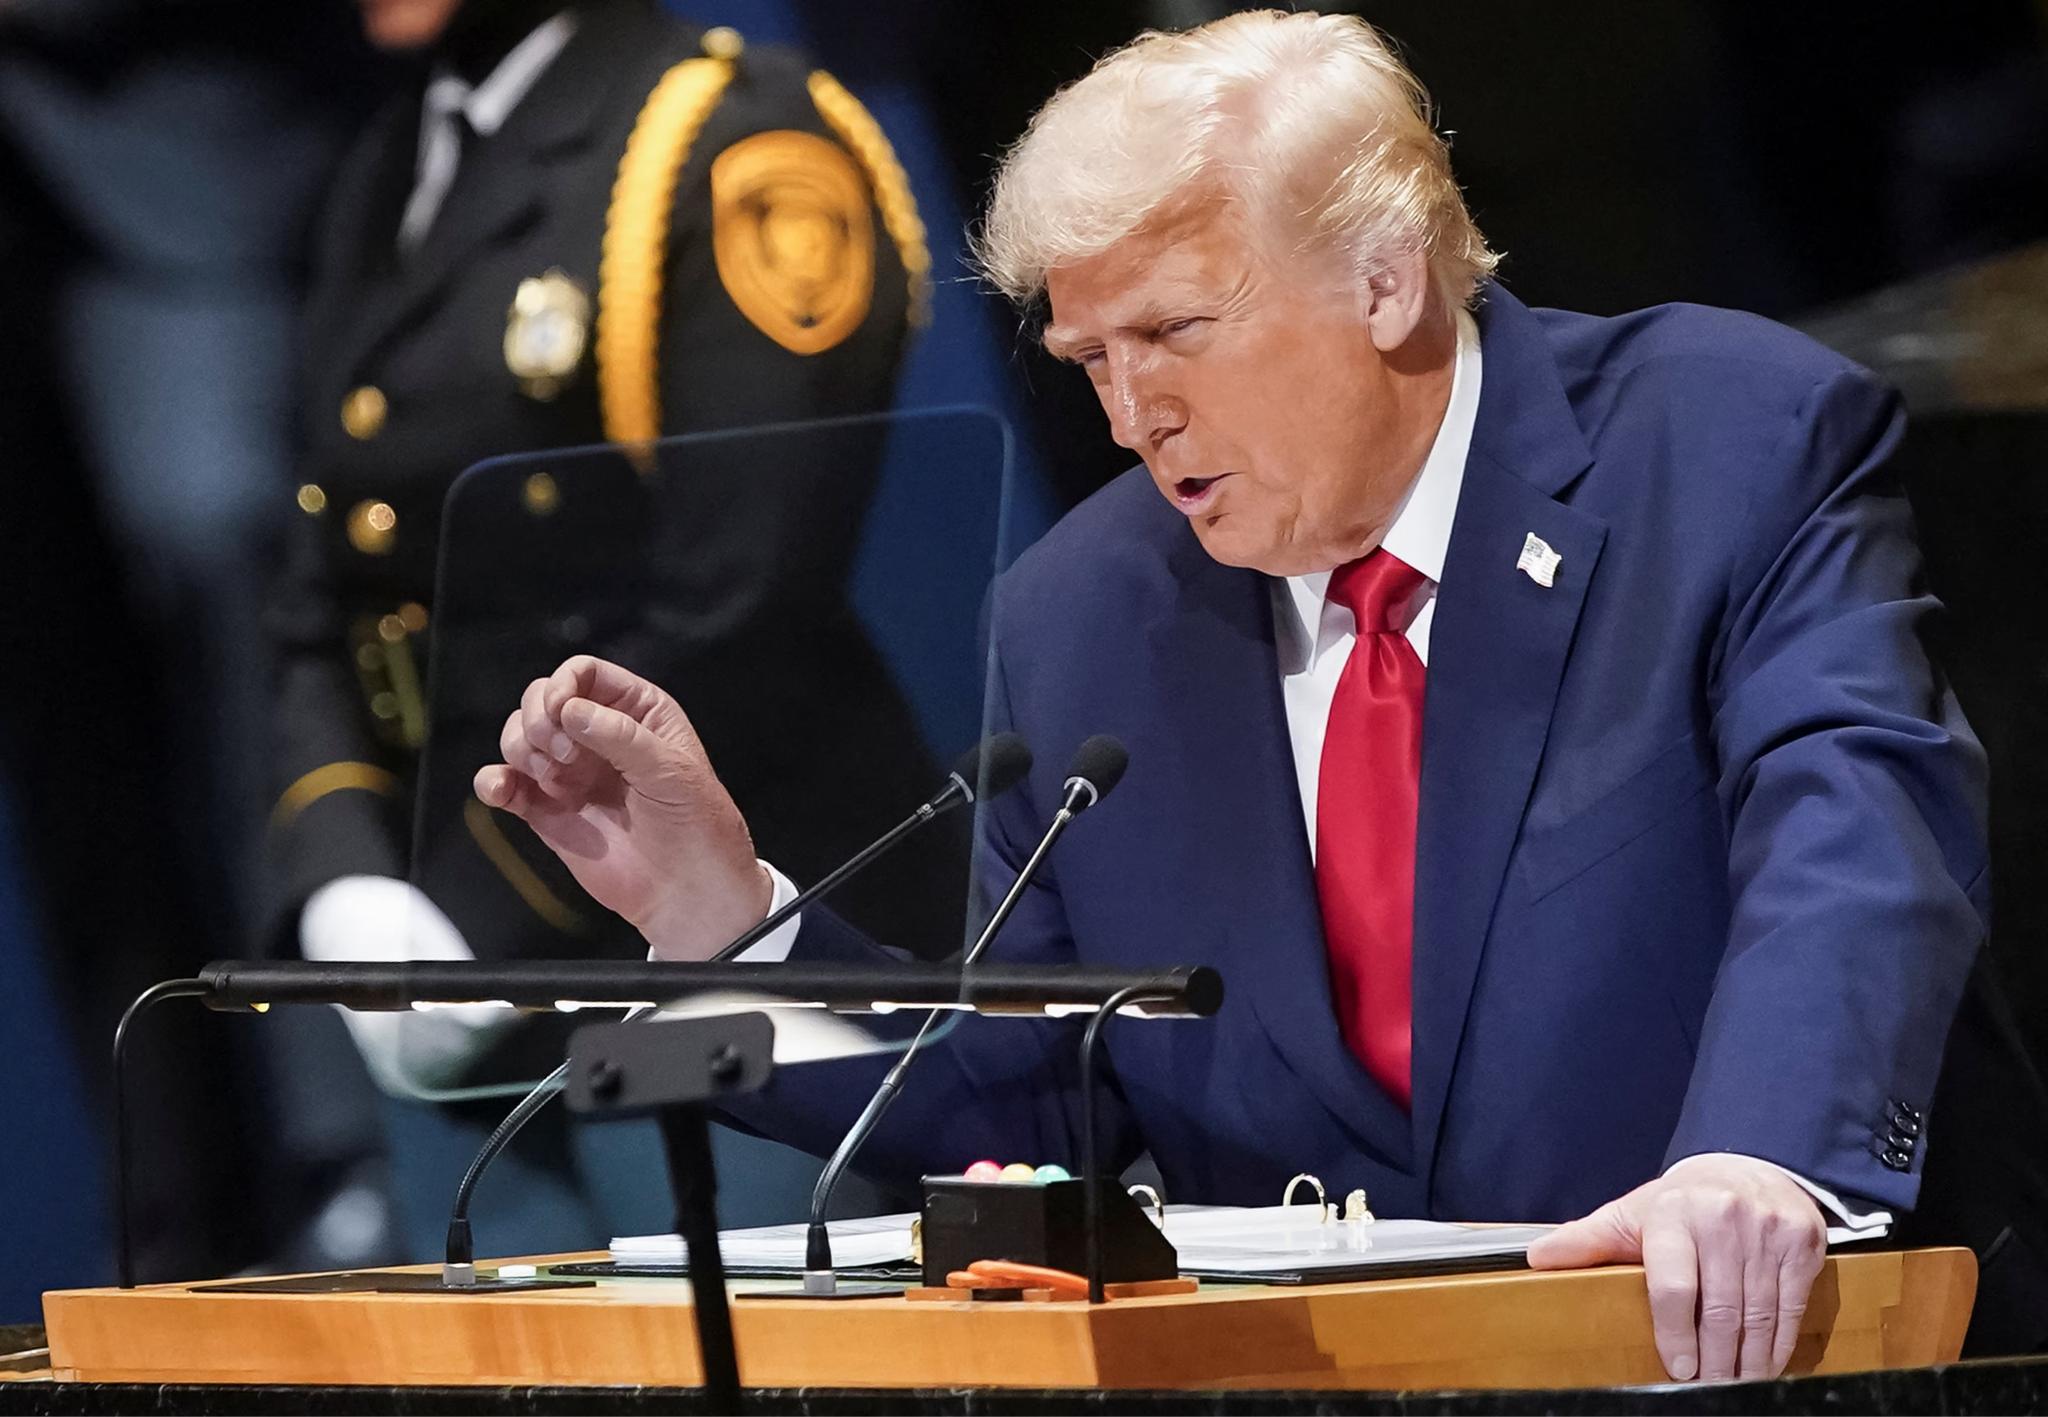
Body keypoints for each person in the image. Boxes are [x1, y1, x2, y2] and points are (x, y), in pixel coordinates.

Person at [474, 10, 2048, 1377]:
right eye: (1091, 359)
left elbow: (1859, 829)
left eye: (1174, 332)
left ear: (1383, 280)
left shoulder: (1725, 442)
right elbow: (1025, 1092)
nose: (1133, 417)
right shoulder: (1087, 610)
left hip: (1762, 1359)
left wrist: (1758, 1154)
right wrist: (720, 917)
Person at [269, 0, 951, 1242]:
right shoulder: (393, 163)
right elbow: (326, 585)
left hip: (715, 958)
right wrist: (346, 888)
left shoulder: (733, 139)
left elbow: (743, 597)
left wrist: (467, 922)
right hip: (451, 992)